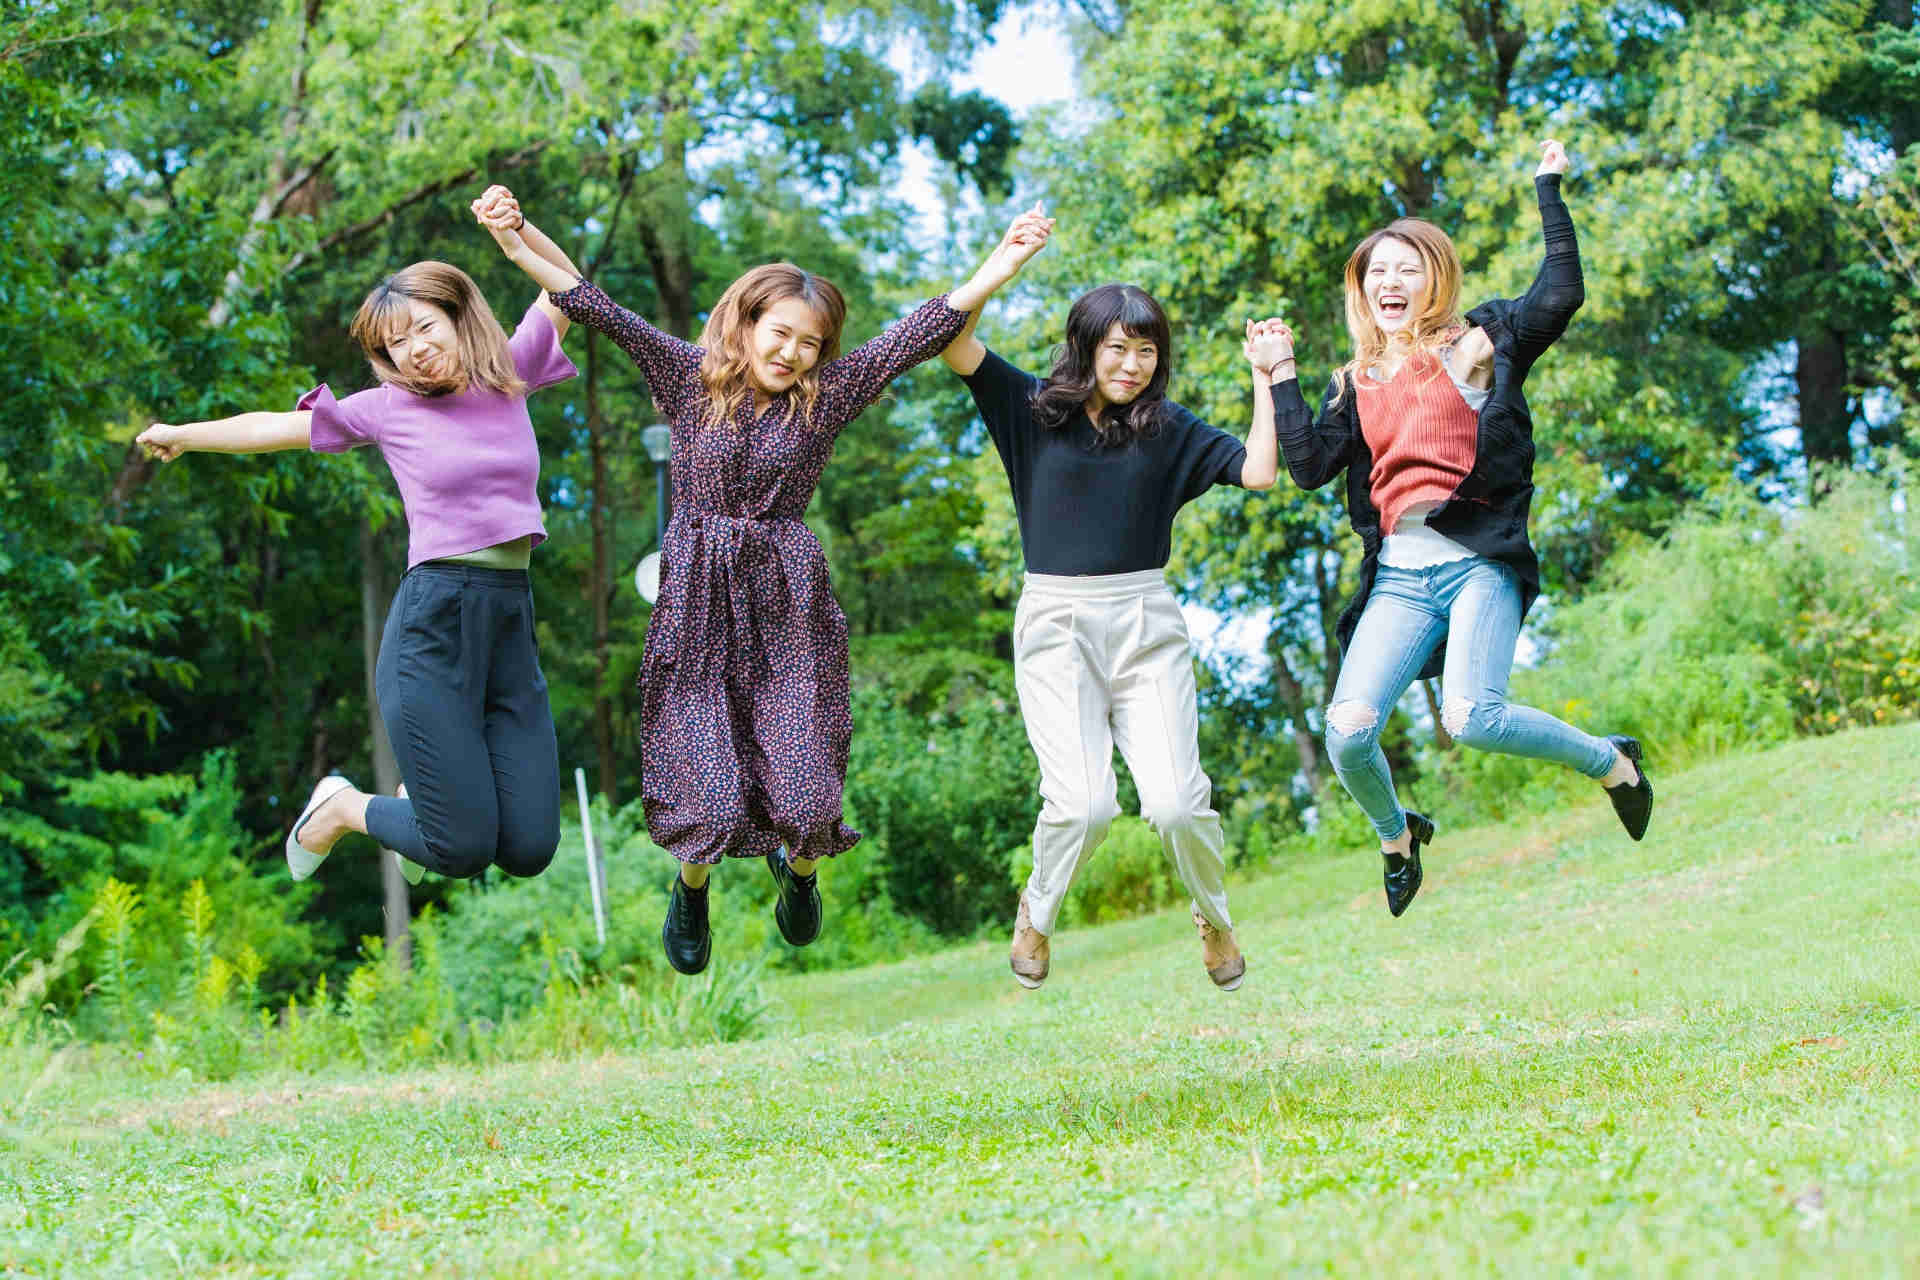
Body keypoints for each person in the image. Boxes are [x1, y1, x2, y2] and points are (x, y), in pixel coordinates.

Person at [479, 188, 1049, 975]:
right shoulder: (688, 377)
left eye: (810, 343)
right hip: (698, 602)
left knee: (808, 798)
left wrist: (1003, 264)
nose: (792, 353)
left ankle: (800, 873)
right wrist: (516, 240)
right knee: (710, 795)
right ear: (746, 323)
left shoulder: (827, 398)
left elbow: (922, 330)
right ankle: (691, 890)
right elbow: (589, 300)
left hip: (788, 602)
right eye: (780, 333)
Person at [1256, 139, 1654, 918]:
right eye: (1377, 272)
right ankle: (1398, 833)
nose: (1390, 282)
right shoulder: (1355, 381)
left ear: (1434, 279)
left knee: (1472, 716)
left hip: (1478, 563)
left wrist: (1548, 188)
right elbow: (1306, 465)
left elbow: (1561, 292)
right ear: (1361, 289)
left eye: (1407, 269)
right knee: (1347, 731)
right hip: (1400, 579)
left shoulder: (1474, 345)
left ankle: (1612, 762)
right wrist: (1280, 373)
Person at [136, 195, 580, 888]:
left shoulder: (510, 371)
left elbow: (569, 288)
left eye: (425, 328)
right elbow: (275, 427)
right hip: (434, 622)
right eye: (395, 344)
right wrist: (184, 436)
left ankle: (412, 804)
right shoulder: (388, 409)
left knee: (528, 848)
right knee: (461, 848)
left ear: (457, 317)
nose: (415, 349)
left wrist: (517, 231)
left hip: (508, 620)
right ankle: (341, 808)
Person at [938, 207, 1277, 992]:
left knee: (1178, 804)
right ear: (1086, 347)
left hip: (1146, 620)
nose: (1131, 365)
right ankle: (1038, 911)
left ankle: (1215, 918)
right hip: (1055, 623)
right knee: (1085, 805)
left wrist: (1264, 378)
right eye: (1117, 348)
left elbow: (1259, 471)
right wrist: (1004, 263)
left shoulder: (1169, 429)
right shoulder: (1030, 411)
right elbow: (951, 339)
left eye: (1146, 351)